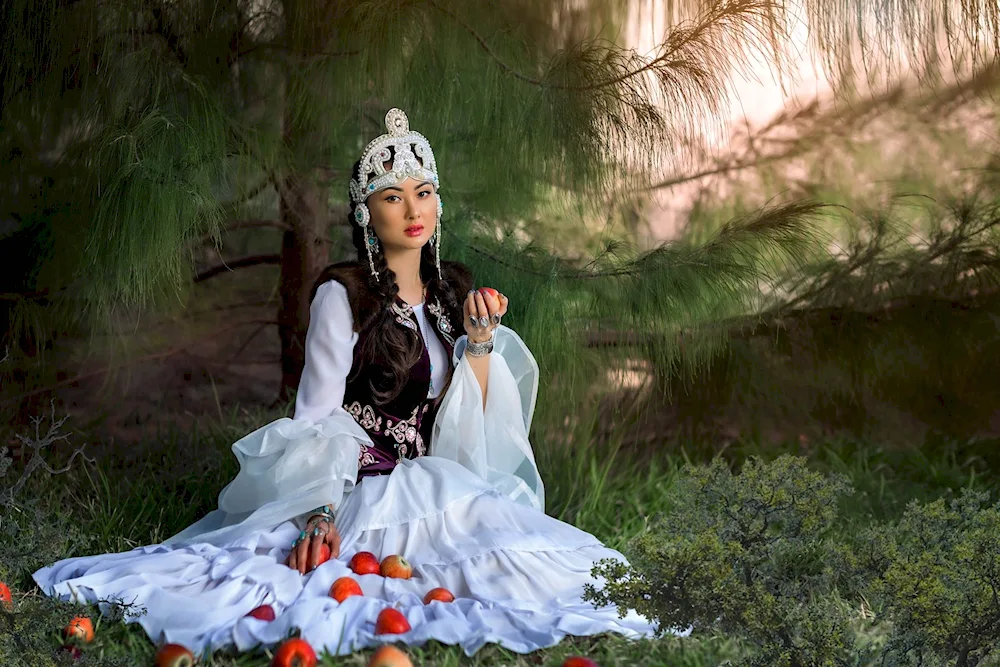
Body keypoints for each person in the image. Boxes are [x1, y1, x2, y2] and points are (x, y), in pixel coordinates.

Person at [33, 109, 657, 657]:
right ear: (365, 211)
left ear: (440, 202)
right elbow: (318, 414)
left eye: (424, 192)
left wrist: (480, 343)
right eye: (392, 197)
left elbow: (477, 424)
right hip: (358, 483)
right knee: (282, 576)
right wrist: (320, 511)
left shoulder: (452, 290)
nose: (413, 211)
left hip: (434, 479)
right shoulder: (343, 293)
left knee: (524, 558)